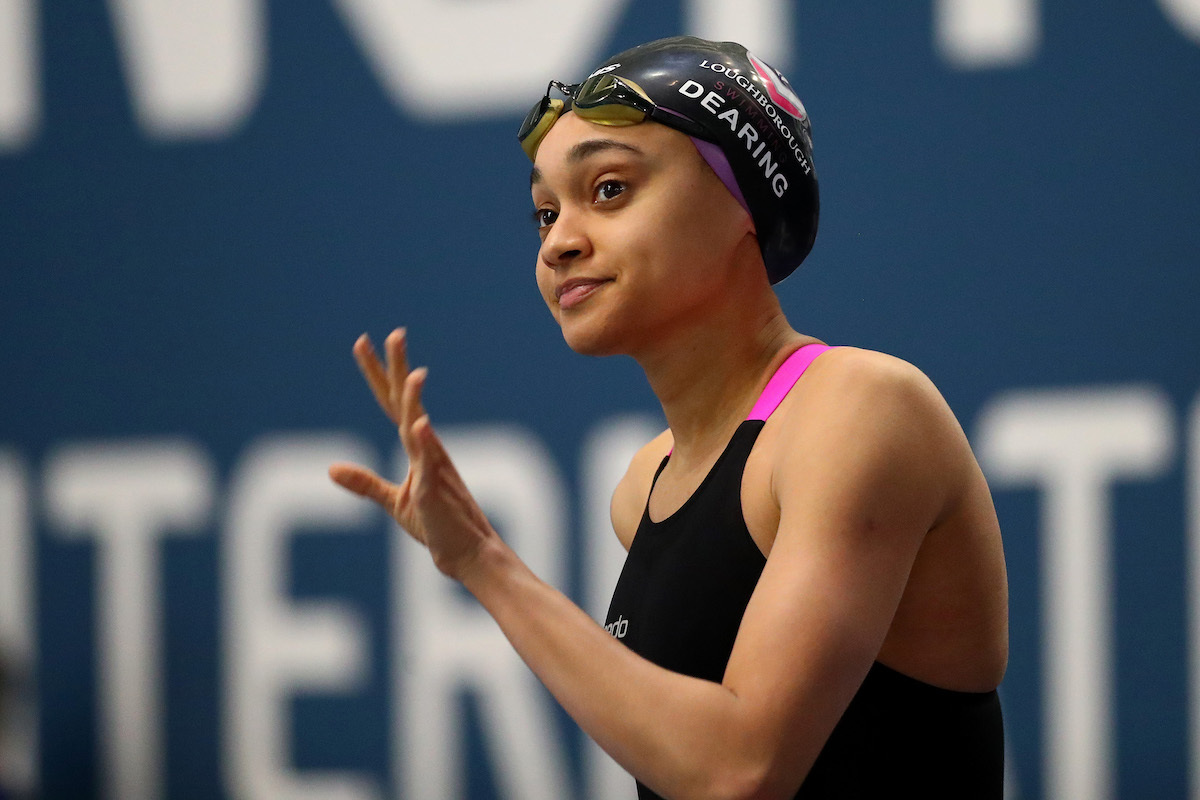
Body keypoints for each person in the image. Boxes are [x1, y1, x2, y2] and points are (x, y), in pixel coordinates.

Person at [330, 35, 1008, 799]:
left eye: (609, 189)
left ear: (742, 206)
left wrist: (486, 563)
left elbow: (741, 768)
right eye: (544, 213)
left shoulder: (861, 411)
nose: (559, 242)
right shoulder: (645, 484)